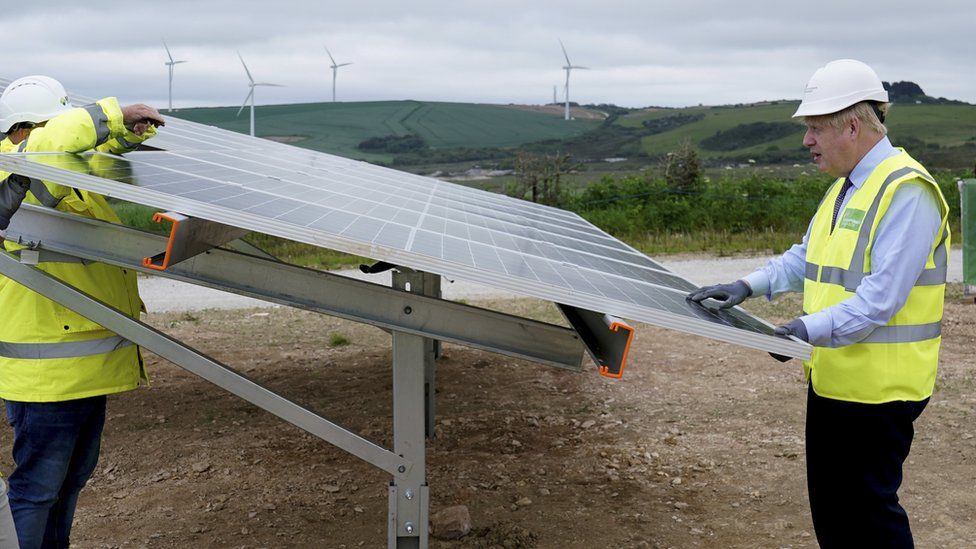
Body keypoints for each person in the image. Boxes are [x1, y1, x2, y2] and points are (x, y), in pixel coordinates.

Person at [688, 59, 949, 548]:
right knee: (834, 514)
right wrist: (747, 285)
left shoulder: (907, 191)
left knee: (868, 515)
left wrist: (805, 329)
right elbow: (805, 257)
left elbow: (879, 301)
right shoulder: (845, 188)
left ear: (851, 126)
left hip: (880, 392)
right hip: (835, 380)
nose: (806, 141)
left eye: (814, 129)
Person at [0, 75, 164, 549]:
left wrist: (124, 136)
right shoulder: (13, 165)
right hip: (47, 370)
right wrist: (113, 114)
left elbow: (81, 151)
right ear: (22, 129)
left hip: (81, 363)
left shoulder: (52, 169)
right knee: (37, 488)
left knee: (69, 483)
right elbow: (52, 140)